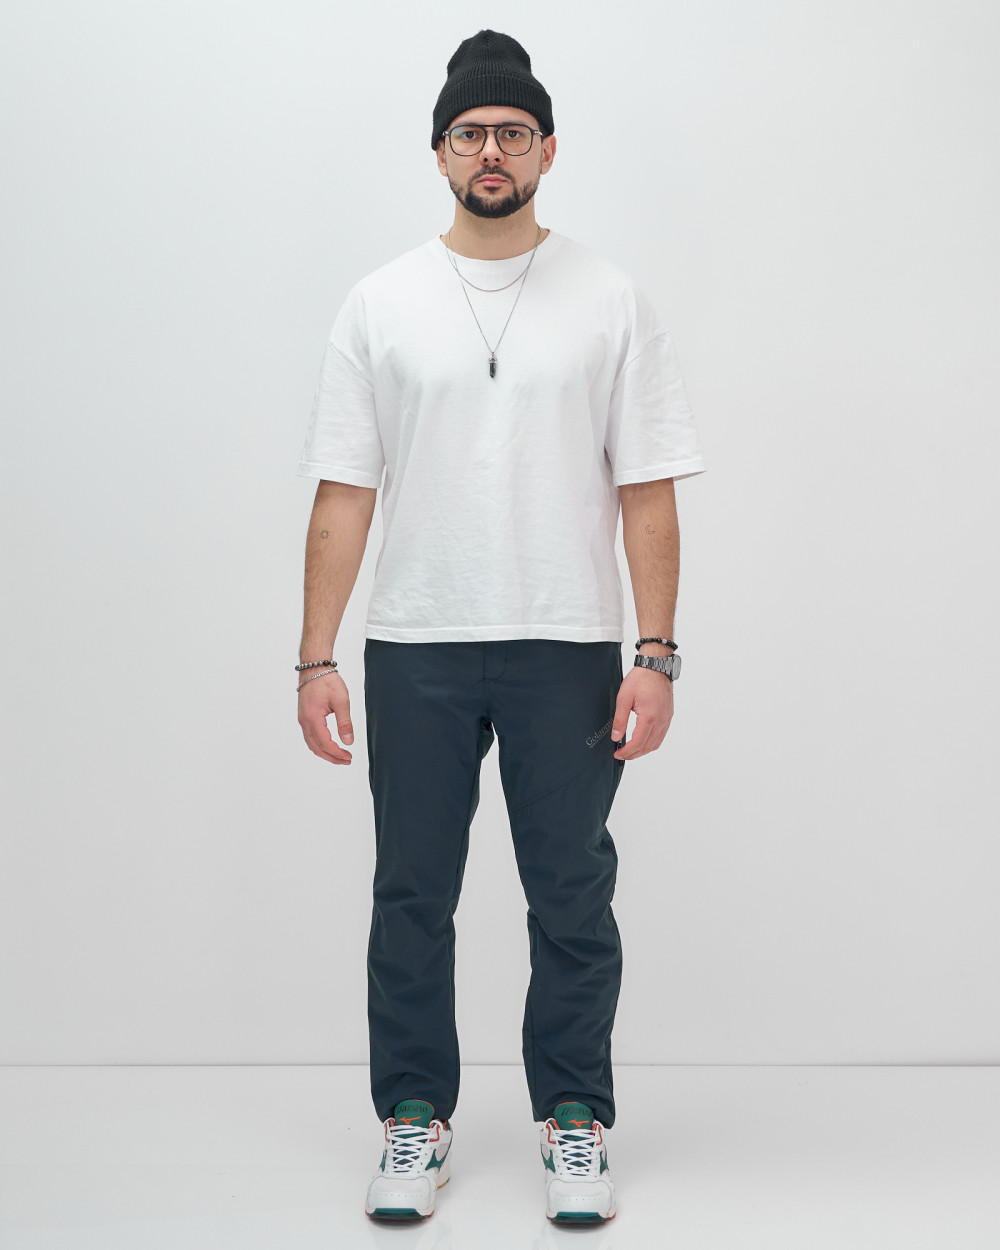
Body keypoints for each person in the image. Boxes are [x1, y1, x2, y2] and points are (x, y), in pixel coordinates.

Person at [295, 28, 706, 1225]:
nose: (491, 150)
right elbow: (342, 494)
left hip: (565, 642)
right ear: (438, 153)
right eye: (470, 132)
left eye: (512, 132)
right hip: (415, 641)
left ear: (547, 150)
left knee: (570, 892)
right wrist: (316, 655)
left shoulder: (610, 297)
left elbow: (647, 487)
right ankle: (412, 1117)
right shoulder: (379, 302)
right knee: (410, 892)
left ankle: (573, 1115)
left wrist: (656, 652)